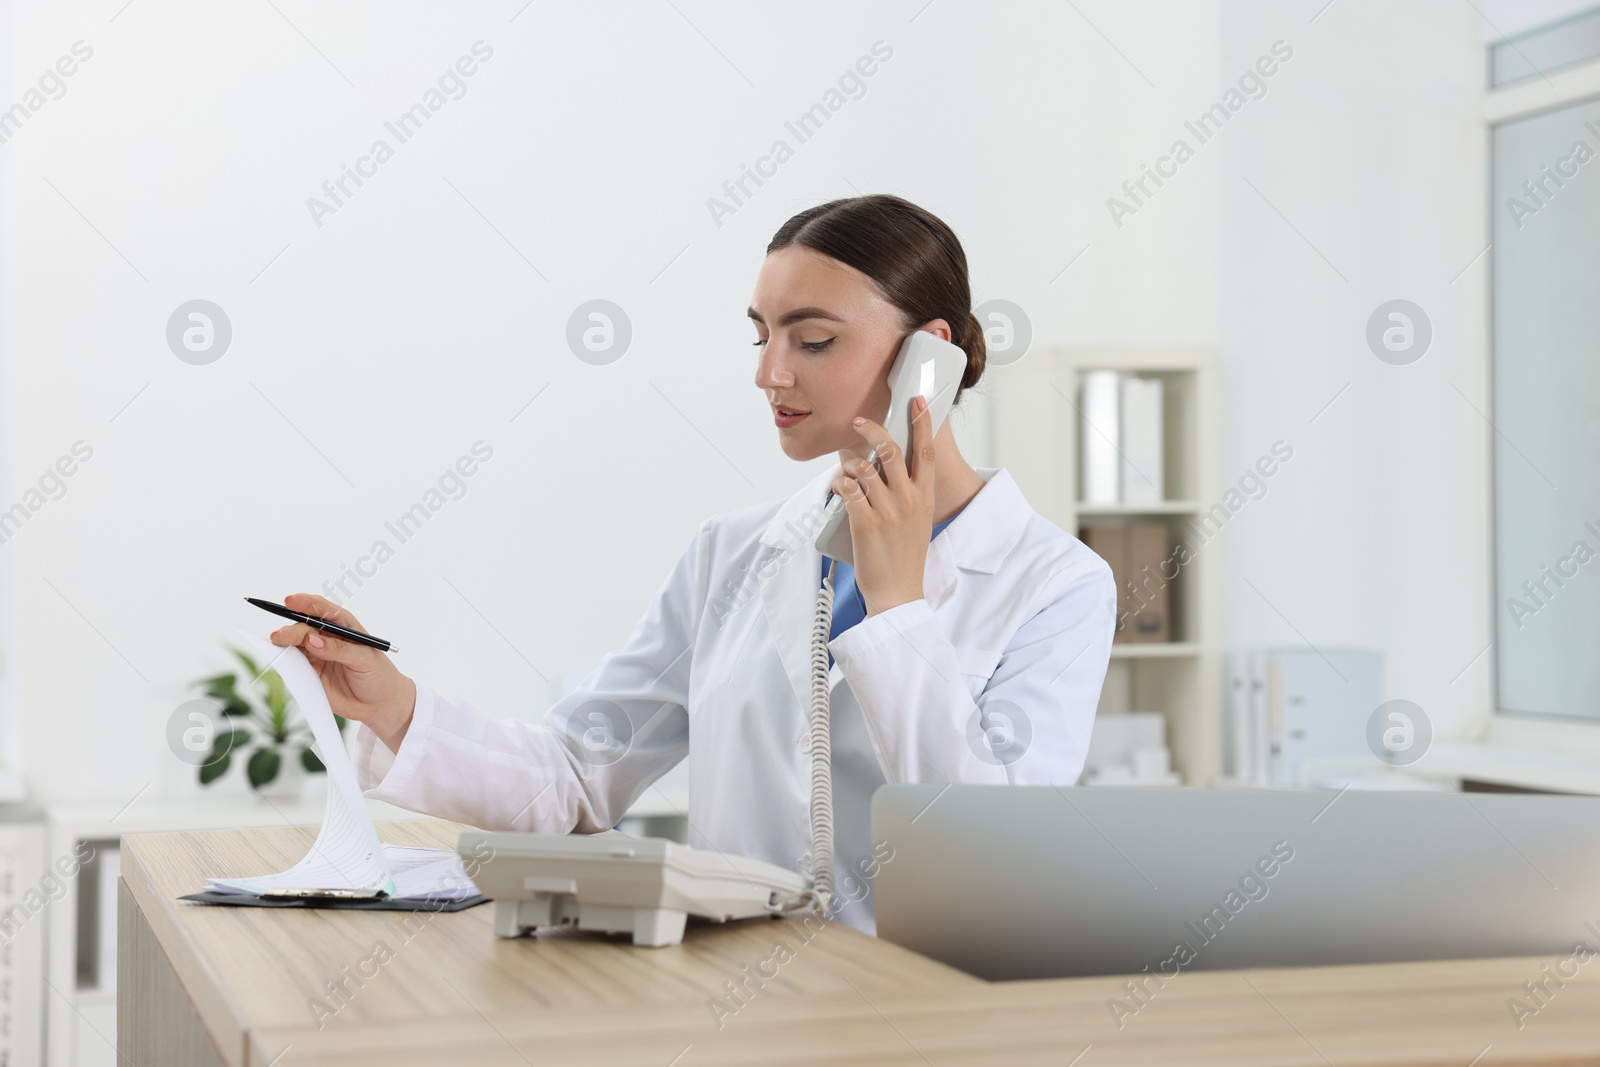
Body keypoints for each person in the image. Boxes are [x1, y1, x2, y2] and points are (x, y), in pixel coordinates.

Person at [270, 194, 1116, 933]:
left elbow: (993, 853)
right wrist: (395, 704)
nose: (768, 373)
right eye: (761, 336)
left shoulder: (1056, 586)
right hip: (732, 1005)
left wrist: (896, 607)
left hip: (925, 1014)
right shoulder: (733, 553)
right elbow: (576, 777)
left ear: (926, 356)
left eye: (813, 339)